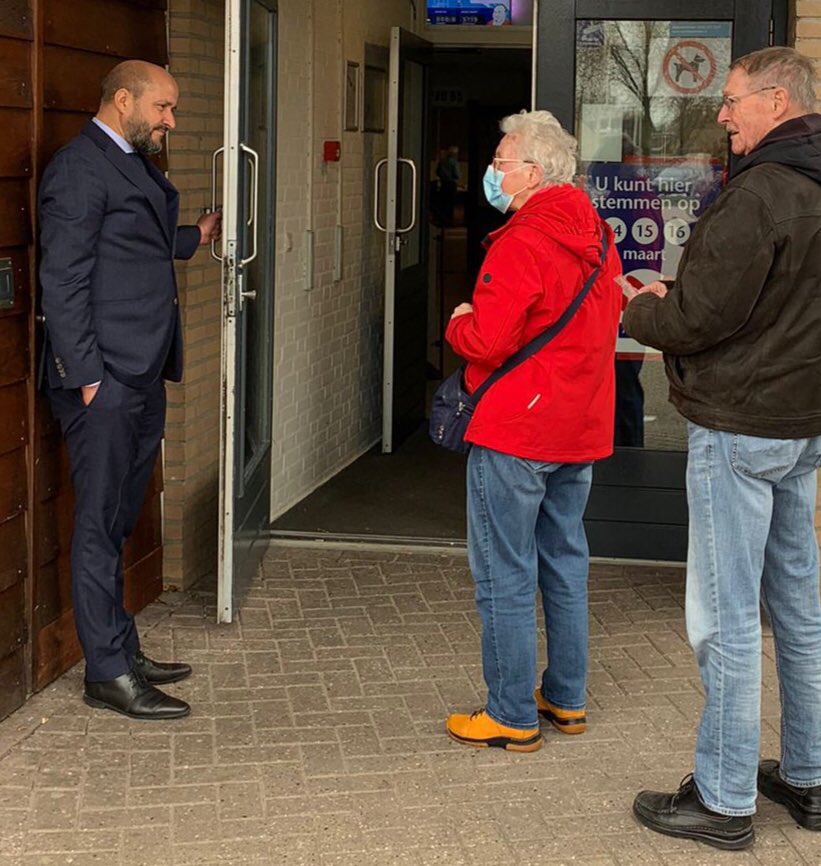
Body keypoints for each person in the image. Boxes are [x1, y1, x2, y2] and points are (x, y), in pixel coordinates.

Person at [624, 47, 821, 849]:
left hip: (739, 427)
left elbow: (699, 318)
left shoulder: (758, 195)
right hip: (801, 426)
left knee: (726, 617)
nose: (722, 114)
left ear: (775, 102)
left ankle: (724, 797)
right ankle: (807, 777)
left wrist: (642, 308)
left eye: (732, 99)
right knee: (799, 608)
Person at [38, 60, 221, 721]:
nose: (170, 120)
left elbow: (132, 240)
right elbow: (61, 280)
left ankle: (123, 646)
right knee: (98, 524)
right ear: (123, 101)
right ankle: (107, 673)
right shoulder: (79, 167)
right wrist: (87, 377)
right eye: (164, 108)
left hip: (141, 369)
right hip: (105, 377)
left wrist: (193, 237)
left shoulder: (129, 161)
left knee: (117, 518)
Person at [445, 110, 621, 752]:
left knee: (504, 572)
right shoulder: (598, 237)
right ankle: (565, 698)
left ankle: (511, 713)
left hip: (518, 429)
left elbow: (489, 340)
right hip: (579, 425)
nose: (492, 171)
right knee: (566, 562)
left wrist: (459, 321)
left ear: (533, 172)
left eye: (499, 161)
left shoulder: (521, 242)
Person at [435, 145, 460, 226]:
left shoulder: (442, 161)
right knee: (450, 203)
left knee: (443, 203)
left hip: (443, 184)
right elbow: (457, 174)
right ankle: (449, 221)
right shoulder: (454, 162)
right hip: (451, 184)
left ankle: (442, 220)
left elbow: (437, 172)